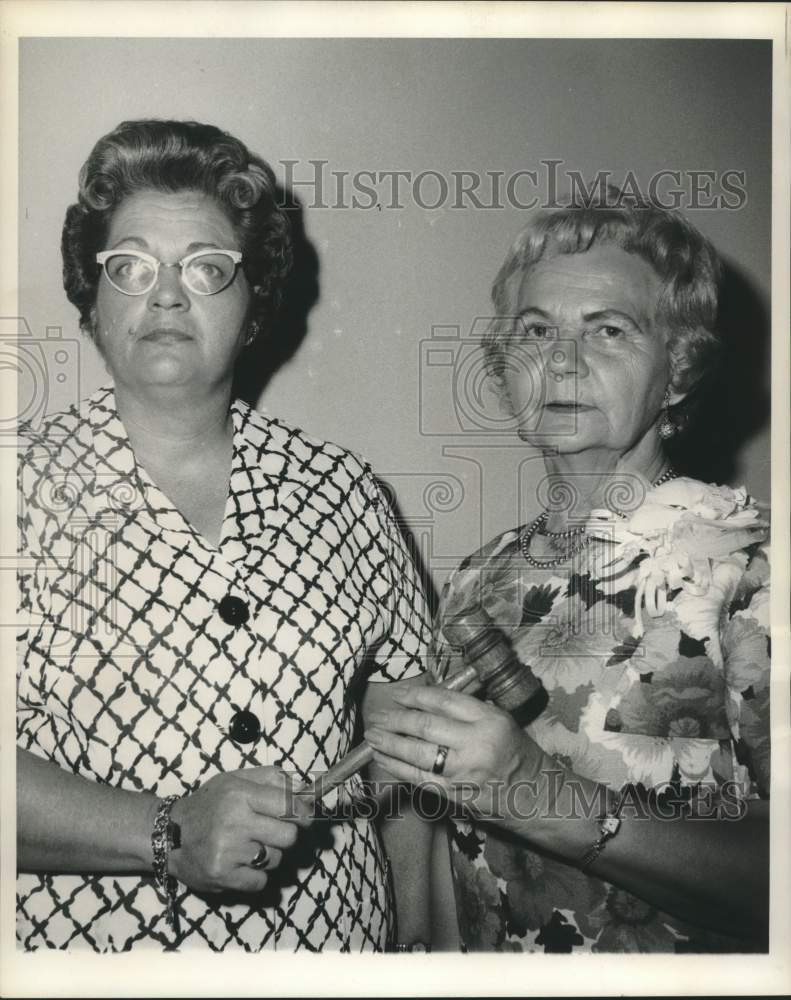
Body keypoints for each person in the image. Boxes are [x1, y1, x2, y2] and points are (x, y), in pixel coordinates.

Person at [16, 119, 433, 952]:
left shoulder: (344, 490)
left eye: (207, 268)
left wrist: (418, 944)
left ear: (252, 307)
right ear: (91, 299)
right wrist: (165, 829)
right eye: (129, 266)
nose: (165, 296)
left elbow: (403, 753)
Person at [363, 191, 771, 952]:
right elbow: (441, 853)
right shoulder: (479, 578)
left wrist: (539, 794)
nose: (560, 361)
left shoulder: (747, 561)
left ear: (678, 369)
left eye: (607, 330)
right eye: (535, 331)